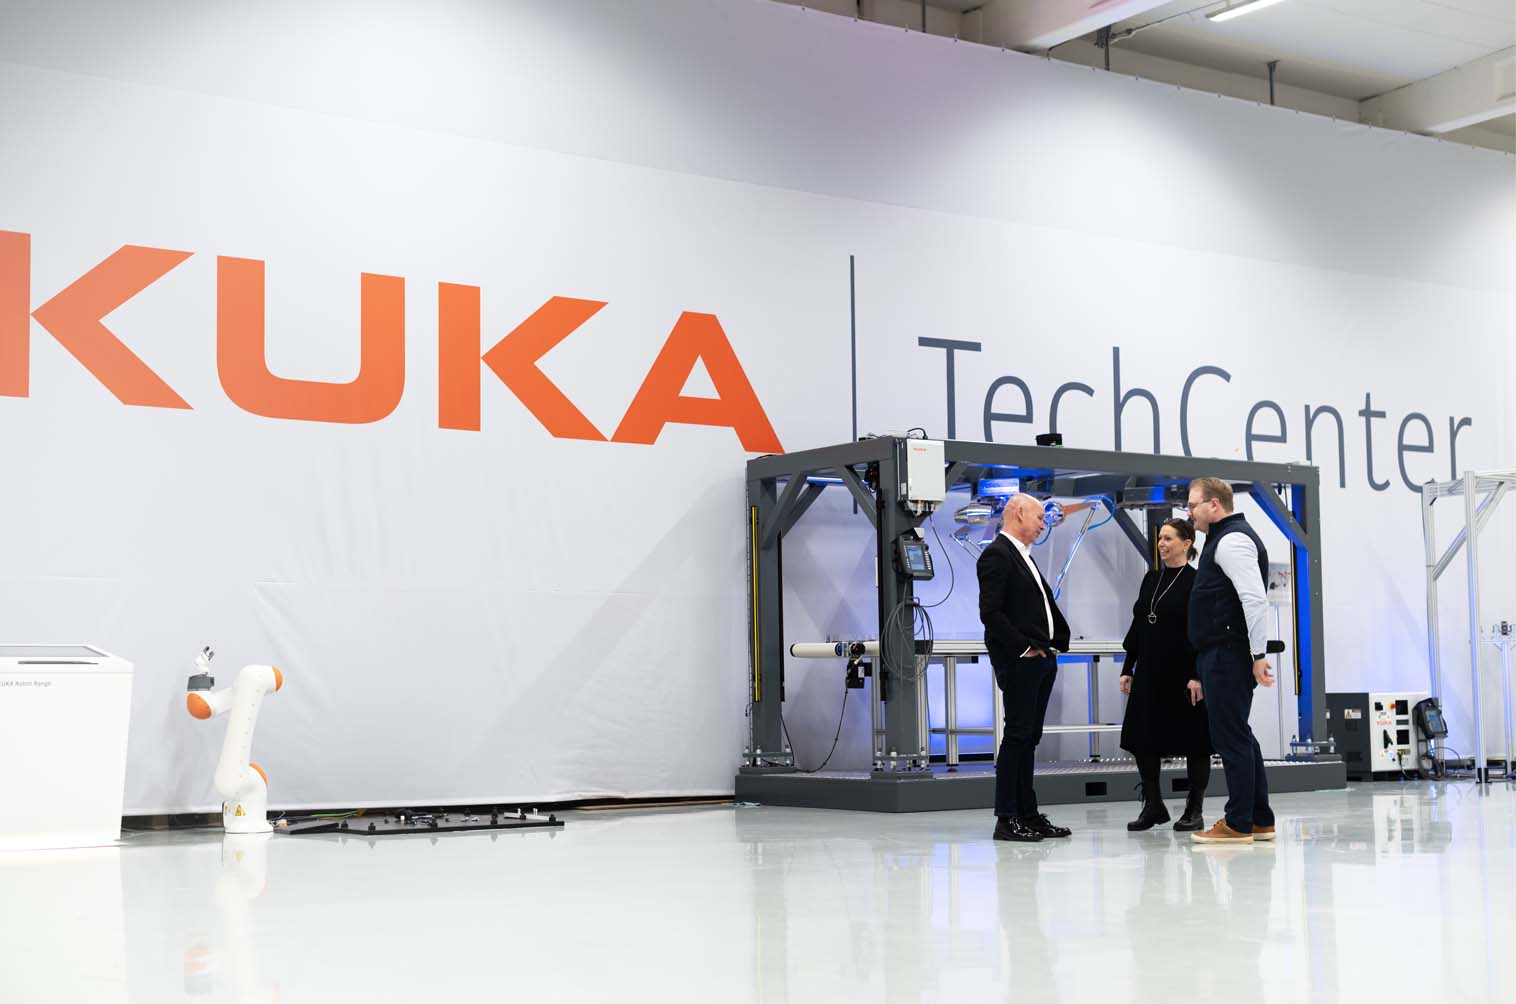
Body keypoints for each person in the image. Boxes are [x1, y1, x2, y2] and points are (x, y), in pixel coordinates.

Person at [1184, 477, 1277, 844]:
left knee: (1231, 738)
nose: (1189, 512)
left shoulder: (1232, 541)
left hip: (1227, 654)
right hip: (1223, 653)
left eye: (1193, 505)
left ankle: (1238, 823)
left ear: (1214, 505)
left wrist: (1258, 655)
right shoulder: (1222, 539)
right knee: (1240, 735)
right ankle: (1259, 819)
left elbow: (1254, 599)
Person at [977, 494, 1073, 843]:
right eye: (1039, 517)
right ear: (1019, 514)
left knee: (1029, 738)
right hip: (1021, 660)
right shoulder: (997, 555)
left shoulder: (1023, 555)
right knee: (1018, 736)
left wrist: (1050, 646)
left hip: (1041, 658)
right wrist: (1024, 648)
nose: (1044, 525)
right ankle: (1006, 818)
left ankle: (1027, 814)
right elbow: (991, 613)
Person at [1118, 517, 1212, 832]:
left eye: (1169, 538)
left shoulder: (1198, 581)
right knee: (1143, 738)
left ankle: (1194, 809)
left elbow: (1203, 630)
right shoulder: (1151, 579)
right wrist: (1128, 667)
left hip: (1184, 674)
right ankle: (1153, 805)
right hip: (1150, 671)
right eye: (1160, 538)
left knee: (1195, 741)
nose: (1162, 544)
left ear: (1187, 544)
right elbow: (1139, 625)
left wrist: (1198, 675)